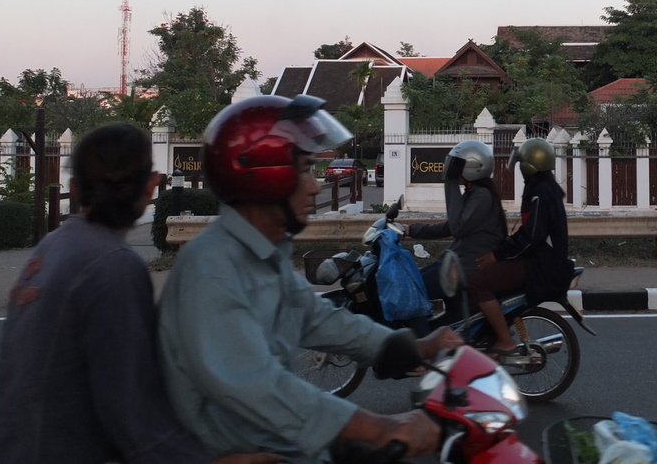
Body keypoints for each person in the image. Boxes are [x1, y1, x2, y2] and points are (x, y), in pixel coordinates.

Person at [156, 95, 462, 464]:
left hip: (284, 446)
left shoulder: (264, 253)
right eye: (303, 169)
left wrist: (403, 345)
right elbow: (255, 385)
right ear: (262, 175)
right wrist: (377, 427)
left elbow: (317, 317)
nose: (316, 186)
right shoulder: (212, 267)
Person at [0, 122, 279, 464]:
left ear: (75, 188)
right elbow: (133, 413)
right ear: (151, 187)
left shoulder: (51, 247)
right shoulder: (114, 266)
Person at [471, 137, 573, 357]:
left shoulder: (539, 193)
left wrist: (498, 255)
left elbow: (531, 238)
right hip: (540, 260)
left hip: (541, 266)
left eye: (521, 164)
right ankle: (493, 332)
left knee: (479, 282)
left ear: (530, 165)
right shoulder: (542, 189)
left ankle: (505, 341)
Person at [407, 139, 506, 302]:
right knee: (414, 279)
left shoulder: (482, 196)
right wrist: (412, 230)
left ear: (473, 167)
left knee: (415, 293)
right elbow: (450, 226)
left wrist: (450, 182)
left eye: (456, 166)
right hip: (458, 261)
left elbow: (457, 227)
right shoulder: (474, 193)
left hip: (467, 266)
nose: (452, 170)